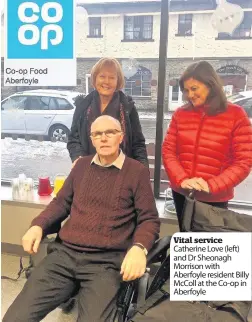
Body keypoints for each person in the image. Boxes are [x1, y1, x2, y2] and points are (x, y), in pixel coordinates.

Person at [3, 115, 160, 322]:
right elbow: (60, 203)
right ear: (92, 139)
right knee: (16, 318)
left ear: (120, 137)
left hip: (105, 263)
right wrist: (38, 226)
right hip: (65, 255)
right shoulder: (81, 166)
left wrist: (139, 248)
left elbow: (149, 219)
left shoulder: (136, 171)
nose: (103, 138)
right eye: (97, 134)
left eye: (110, 132)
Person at [162, 61, 252, 231]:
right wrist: (182, 179)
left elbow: (244, 161)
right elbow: (168, 152)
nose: (190, 95)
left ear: (211, 84)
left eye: (194, 89)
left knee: (208, 249)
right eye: (186, 90)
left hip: (215, 198)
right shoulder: (181, 114)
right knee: (187, 242)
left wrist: (212, 185)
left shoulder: (236, 115)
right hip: (183, 193)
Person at [67, 57, 148, 167]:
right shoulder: (83, 106)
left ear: (118, 81)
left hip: (122, 173)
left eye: (112, 77)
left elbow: (138, 144)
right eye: (102, 76)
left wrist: (142, 171)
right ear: (95, 79)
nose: (106, 81)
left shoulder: (127, 107)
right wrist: (78, 158)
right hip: (89, 170)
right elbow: (73, 139)